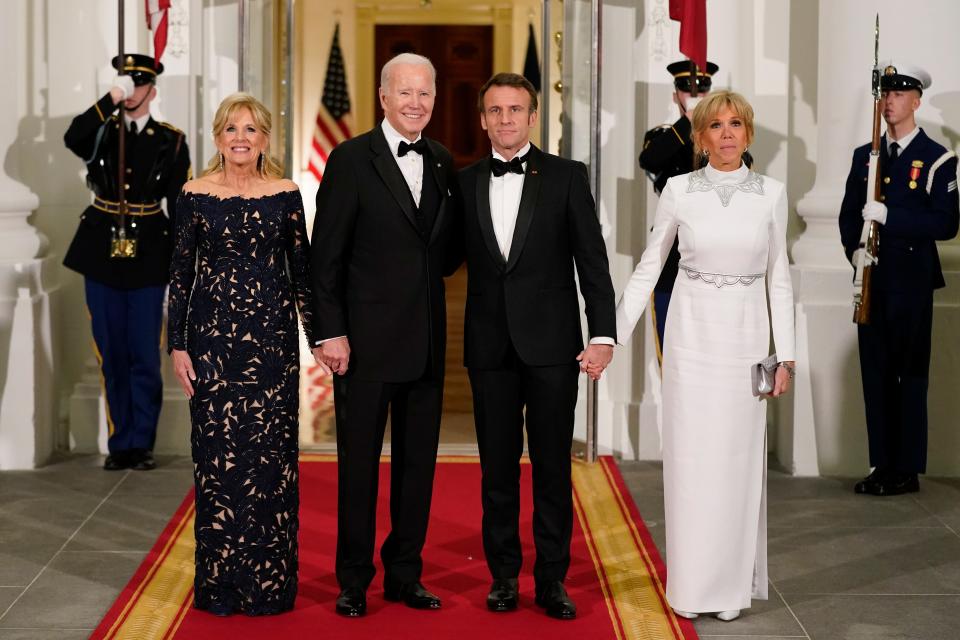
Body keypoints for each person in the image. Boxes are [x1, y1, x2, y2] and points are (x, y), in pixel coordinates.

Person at [617, 91, 795, 621]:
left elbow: (778, 278)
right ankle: (690, 587)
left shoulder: (772, 193)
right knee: (692, 462)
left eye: (735, 123)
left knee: (737, 463)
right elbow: (650, 268)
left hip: (745, 341)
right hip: (691, 339)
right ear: (699, 137)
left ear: (749, 132)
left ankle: (729, 590)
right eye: (714, 125)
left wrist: (785, 357)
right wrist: (611, 335)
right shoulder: (678, 190)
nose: (726, 133)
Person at [457, 73, 617, 620]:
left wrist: (602, 335)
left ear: (533, 116)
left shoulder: (568, 177)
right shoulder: (464, 181)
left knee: (551, 468)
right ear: (483, 118)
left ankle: (552, 579)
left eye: (516, 109)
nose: (505, 119)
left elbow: (592, 263)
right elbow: (437, 260)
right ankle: (504, 576)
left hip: (553, 348)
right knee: (496, 470)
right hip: (488, 349)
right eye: (495, 110)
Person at [310, 53, 460, 618]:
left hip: (425, 342)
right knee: (358, 467)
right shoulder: (349, 160)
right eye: (405, 93)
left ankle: (405, 574)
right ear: (382, 96)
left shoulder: (444, 161)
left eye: (425, 93)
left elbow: (445, 256)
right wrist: (330, 334)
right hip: (364, 345)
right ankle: (353, 579)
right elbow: (326, 258)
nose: (416, 103)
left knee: (418, 466)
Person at [167, 93, 314, 616]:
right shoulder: (194, 194)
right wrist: (176, 346)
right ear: (217, 136)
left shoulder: (286, 193)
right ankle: (221, 586)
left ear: (266, 139)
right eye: (231, 129)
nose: (241, 139)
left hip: (273, 349)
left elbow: (303, 275)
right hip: (211, 347)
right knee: (218, 463)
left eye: (251, 130)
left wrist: (319, 340)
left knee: (270, 463)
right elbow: (180, 277)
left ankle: (270, 587)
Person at [63, 54, 191, 471]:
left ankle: (141, 443)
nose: (133, 92)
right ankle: (119, 442)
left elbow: (179, 202)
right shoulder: (102, 129)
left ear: (152, 91)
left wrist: (184, 258)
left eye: (139, 86)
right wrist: (109, 98)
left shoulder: (171, 139)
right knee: (111, 352)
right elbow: (72, 138)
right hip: (101, 249)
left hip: (150, 250)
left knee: (143, 351)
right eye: (127, 85)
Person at [838, 63, 959, 497]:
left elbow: (946, 223)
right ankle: (882, 463)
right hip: (871, 279)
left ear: (916, 101)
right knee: (875, 373)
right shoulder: (864, 156)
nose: (889, 101)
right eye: (885, 94)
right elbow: (849, 213)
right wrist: (853, 249)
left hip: (910, 281)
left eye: (899, 94)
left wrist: (892, 217)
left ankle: (906, 469)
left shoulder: (938, 158)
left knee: (909, 375)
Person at [639, 61, 753, 360]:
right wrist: (688, 122)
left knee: (716, 352)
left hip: (716, 256)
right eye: (686, 89)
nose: (694, 94)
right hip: (673, 255)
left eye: (702, 89)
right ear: (676, 94)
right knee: (673, 352)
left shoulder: (723, 141)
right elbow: (650, 160)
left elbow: (743, 165)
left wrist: (707, 129)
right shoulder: (664, 134)